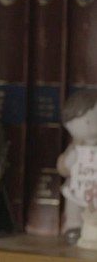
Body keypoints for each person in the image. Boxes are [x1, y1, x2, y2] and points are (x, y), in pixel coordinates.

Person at [59, 89, 97, 246]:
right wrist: (69, 161)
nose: (88, 125)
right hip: (77, 187)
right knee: (72, 202)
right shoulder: (74, 148)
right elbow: (62, 169)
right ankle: (73, 226)